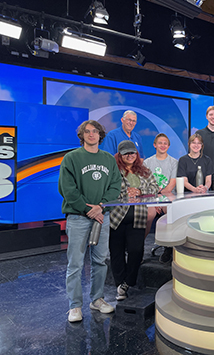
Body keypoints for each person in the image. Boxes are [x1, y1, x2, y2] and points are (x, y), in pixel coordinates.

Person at [59, 120, 122, 323]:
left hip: (101, 216)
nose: (91, 134)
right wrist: (89, 210)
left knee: (100, 260)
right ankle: (75, 306)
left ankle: (97, 299)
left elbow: (115, 186)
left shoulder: (108, 159)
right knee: (75, 264)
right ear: (82, 135)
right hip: (78, 217)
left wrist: (100, 207)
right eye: (87, 132)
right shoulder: (71, 158)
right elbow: (67, 189)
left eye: (95, 131)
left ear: (100, 135)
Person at [109, 140, 160, 301]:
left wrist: (139, 190)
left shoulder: (144, 171)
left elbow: (154, 188)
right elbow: (107, 190)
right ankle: (120, 285)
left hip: (138, 217)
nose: (130, 156)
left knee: (136, 251)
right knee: (116, 253)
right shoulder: (113, 171)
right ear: (120, 155)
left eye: (132, 153)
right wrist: (125, 192)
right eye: (126, 153)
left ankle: (127, 282)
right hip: (116, 218)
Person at [143, 133, 178, 263]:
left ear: (168, 146)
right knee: (149, 214)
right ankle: (139, 247)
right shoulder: (147, 162)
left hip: (168, 197)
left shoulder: (174, 162)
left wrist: (160, 199)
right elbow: (145, 184)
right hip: (151, 197)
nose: (163, 145)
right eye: (160, 143)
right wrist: (155, 200)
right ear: (155, 145)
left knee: (172, 212)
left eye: (165, 143)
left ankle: (168, 248)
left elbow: (172, 184)